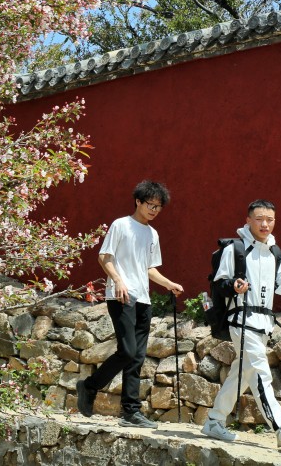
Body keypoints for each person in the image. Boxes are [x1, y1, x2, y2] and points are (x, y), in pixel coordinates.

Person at [201, 199, 281, 448]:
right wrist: (234, 285)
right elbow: (220, 281)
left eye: (270, 219)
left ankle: (214, 421)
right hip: (241, 321)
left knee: (241, 374)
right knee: (261, 373)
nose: (265, 224)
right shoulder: (236, 248)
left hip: (263, 323)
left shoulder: (275, 252)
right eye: (259, 218)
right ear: (248, 220)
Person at [75, 180, 184, 428]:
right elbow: (104, 256)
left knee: (136, 357)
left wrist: (169, 284)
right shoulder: (121, 225)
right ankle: (90, 386)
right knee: (127, 350)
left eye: (158, 206)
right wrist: (118, 280)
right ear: (138, 201)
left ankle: (130, 412)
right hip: (121, 295)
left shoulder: (152, 234)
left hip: (143, 299)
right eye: (150, 204)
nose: (154, 210)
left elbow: (150, 269)